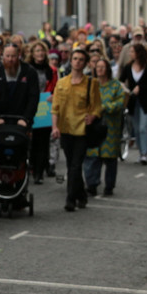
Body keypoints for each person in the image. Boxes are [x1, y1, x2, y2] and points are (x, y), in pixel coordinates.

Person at [52, 48, 102, 211]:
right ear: (71, 61)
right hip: (66, 129)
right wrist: (54, 127)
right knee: (71, 165)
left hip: (82, 130)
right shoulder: (62, 83)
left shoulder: (91, 83)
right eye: (75, 59)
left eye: (81, 59)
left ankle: (70, 199)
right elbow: (55, 107)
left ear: (85, 63)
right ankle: (81, 195)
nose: (77, 62)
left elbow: (97, 107)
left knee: (75, 165)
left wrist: (92, 116)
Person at [86, 56, 125, 197]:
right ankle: (92, 184)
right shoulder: (91, 84)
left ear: (108, 69)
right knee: (93, 157)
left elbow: (120, 103)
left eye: (103, 67)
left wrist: (105, 107)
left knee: (110, 159)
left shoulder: (115, 85)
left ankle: (109, 186)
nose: (100, 69)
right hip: (93, 126)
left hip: (110, 126)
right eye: (97, 67)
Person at [29, 41, 59, 182]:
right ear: (32, 53)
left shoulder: (51, 70)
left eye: (42, 50)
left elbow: (56, 88)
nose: (40, 53)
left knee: (43, 141)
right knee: (32, 141)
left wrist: (53, 95)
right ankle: (33, 166)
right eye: (37, 51)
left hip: (45, 108)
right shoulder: (28, 69)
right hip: (31, 106)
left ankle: (39, 172)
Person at [0, 44, 41, 127]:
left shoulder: (30, 72)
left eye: (13, 56)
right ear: (3, 56)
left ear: (19, 55)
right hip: (1, 120)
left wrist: (26, 118)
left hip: (22, 120)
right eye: (7, 56)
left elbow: (33, 97)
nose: (10, 59)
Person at [120, 42, 147, 165]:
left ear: (138, 53)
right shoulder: (128, 67)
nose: (130, 54)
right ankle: (141, 153)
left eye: (132, 52)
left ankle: (144, 153)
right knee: (137, 128)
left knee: (143, 127)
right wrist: (125, 89)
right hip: (133, 101)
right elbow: (121, 80)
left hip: (145, 102)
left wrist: (141, 88)